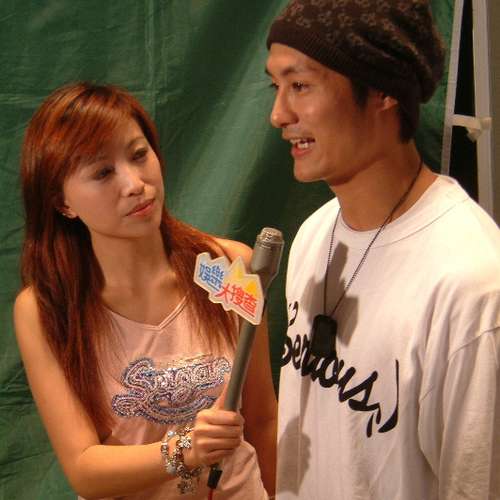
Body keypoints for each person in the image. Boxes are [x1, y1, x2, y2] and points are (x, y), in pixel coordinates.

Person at [265, 1, 500, 499]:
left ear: (383, 91)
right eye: (275, 87)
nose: (279, 114)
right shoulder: (314, 234)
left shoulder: (473, 284)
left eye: (300, 85)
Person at [13, 82, 277, 500]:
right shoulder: (44, 308)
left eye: (139, 155)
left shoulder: (232, 266)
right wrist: (186, 449)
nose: (135, 183)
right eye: (103, 173)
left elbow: (262, 418)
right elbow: (84, 468)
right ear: (62, 202)